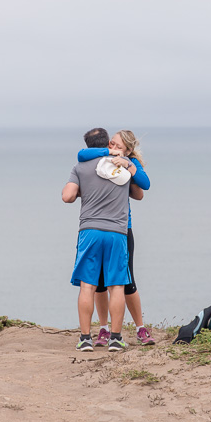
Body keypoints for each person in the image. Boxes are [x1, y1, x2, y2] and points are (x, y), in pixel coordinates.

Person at [62, 128, 139, 352]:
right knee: (116, 286)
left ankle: (86, 339)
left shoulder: (80, 168)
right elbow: (139, 192)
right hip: (117, 232)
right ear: (107, 143)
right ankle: (115, 338)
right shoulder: (122, 165)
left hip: (90, 231)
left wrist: (80, 191)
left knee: (88, 286)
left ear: (88, 146)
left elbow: (67, 196)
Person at [77, 130, 155, 345]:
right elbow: (82, 155)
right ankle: (103, 329)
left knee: (126, 282)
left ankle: (140, 328)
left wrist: (127, 164)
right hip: (101, 229)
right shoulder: (102, 160)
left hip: (122, 229)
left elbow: (143, 187)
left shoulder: (129, 163)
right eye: (112, 143)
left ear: (128, 150)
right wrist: (110, 152)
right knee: (100, 284)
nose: (113, 147)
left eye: (118, 145)